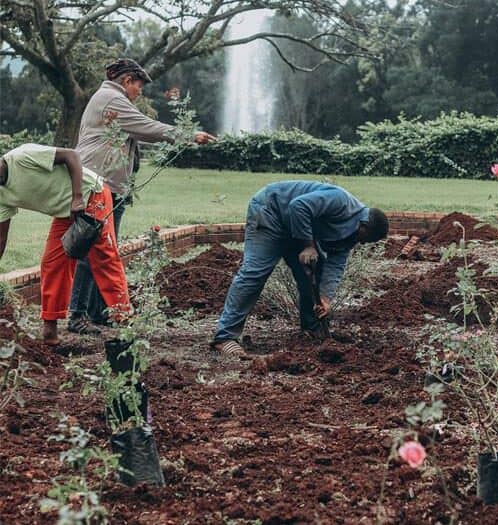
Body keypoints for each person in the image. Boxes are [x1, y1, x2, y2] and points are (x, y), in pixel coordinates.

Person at [67, 58, 216, 335]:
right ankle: (77, 316)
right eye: (139, 86)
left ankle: (99, 312)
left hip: (106, 185)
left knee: (105, 250)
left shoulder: (109, 97)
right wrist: (187, 135)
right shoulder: (113, 99)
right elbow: (146, 126)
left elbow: (139, 132)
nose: (140, 92)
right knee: (93, 248)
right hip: (98, 185)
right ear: (127, 81)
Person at [212, 181, 389, 356]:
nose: (362, 243)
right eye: (366, 238)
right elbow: (299, 206)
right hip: (271, 211)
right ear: (363, 224)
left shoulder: (352, 236)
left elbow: (335, 265)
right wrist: (308, 246)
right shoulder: (340, 201)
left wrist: (325, 298)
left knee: (312, 274)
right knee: (254, 273)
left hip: (295, 228)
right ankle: (225, 337)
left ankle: (311, 329)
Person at [0, 144, 131, 346]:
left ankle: (126, 323)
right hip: (65, 212)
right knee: (52, 263)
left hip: (90, 195)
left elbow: (72, 155)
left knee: (104, 260)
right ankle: (50, 331)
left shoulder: (22, 156)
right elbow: (1, 238)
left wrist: (77, 198)